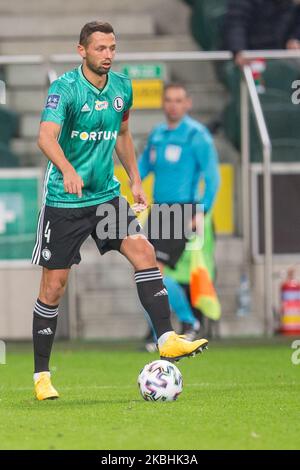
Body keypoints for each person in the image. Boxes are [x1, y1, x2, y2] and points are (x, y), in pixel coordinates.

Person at [31, 22, 208, 401]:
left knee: (144, 252)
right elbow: (45, 136)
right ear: (82, 51)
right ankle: (42, 375)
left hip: (106, 197)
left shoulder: (122, 87)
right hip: (65, 201)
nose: (108, 55)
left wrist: (136, 180)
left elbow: (123, 135)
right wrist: (67, 169)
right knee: (53, 286)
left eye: (112, 47)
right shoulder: (64, 89)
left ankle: (166, 339)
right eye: (100, 48)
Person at [138, 83, 220, 349]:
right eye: (169, 100)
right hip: (158, 211)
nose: (173, 105)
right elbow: (142, 168)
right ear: (163, 103)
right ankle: (162, 335)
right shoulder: (158, 134)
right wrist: (131, 186)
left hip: (180, 211)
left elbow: (213, 179)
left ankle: (187, 321)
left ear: (188, 104)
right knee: (145, 273)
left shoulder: (197, 136)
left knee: (154, 273)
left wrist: (201, 211)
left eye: (178, 100)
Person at [223, 0, 300, 67]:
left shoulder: (290, 4)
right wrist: (239, 50)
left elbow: (295, 23)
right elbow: (236, 24)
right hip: (250, 57)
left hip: (279, 57)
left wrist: (294, 38)